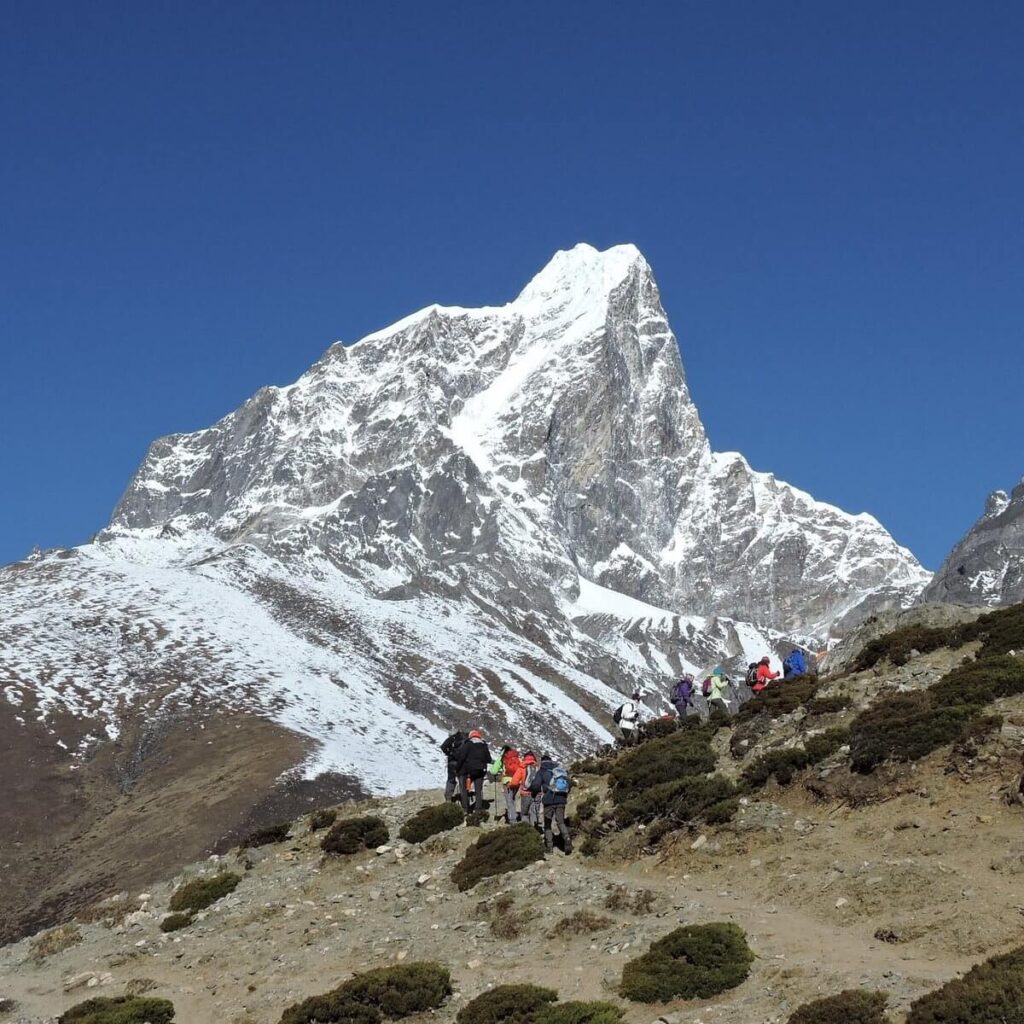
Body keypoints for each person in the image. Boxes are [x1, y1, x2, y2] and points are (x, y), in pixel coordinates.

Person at [537, 752, 573, 854]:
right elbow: (569, 783)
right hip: (561, 799)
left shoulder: (542, 771)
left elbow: (536, 784)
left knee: (547, 824)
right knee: (560, 821)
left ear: (542, 761)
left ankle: (549, 847)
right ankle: (567, 838)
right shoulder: (559, 770)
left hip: (548, 800)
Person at [455, 729, 491, 814]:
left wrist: (457, 769)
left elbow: (462, 758)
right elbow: (488, 759)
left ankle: (465, 809)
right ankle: (478, 809)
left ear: (471, 736)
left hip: (469, 770)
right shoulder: (484, 745)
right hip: (481, 771)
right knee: (478, 790)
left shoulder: (468, 744)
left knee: (464, 789)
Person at [516, 750, 541, 827]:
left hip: (525, 792)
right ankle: (534, 828)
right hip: (536, 792)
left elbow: (515, 780)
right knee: (533, 811)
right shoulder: (537, 767)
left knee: (524, 813)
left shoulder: (523, 767)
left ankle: (526, 829)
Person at [499, 745, 523, 824]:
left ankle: (512, 820)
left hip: (507, 782)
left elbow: (493, 771)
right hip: (517, 782)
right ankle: (514, 816)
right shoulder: (517, 758)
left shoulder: (503, 758)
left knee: (510, 801)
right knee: (512, 800)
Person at [440, 729, 466, 802]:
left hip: (451, 763)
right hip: (461, 764)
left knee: (451, 780)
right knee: (462, 781)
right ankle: (464, 800)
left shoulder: (451, 739)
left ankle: (448, 798)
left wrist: (449, 754)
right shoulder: (463, 740)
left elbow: (443, 747)